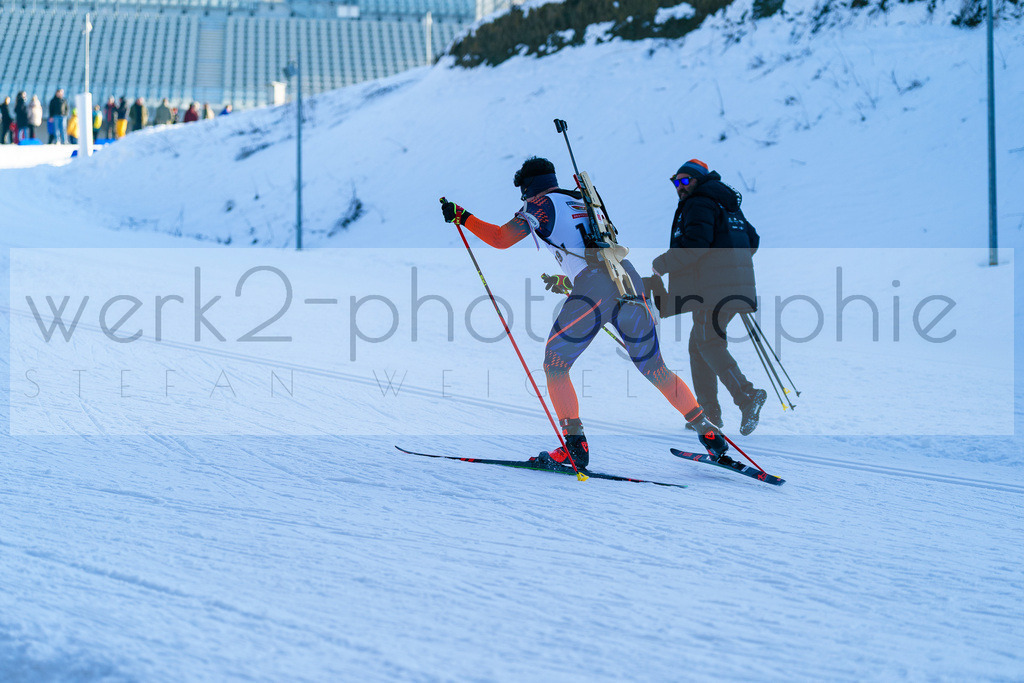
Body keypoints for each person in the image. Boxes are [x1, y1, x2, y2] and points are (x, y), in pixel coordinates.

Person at [439, 157, 730, 470]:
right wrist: (570, 283)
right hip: (628, 278)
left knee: (555, 363)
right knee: (654, 367)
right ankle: (709, 433)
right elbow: (592, 249)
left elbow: (501, 239)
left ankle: (575, 447)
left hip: (595, 286)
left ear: (528, 188)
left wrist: (462, 217)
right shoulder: (583, 199)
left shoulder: (540, 204)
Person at [651, 159, 767, 436]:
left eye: (685, 180)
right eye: (675, 181)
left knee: (708, 343)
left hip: (712, 290)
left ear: (699, 180)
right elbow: (752, 240)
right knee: (699, 345)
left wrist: (662, 263)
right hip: (733, 288)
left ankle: (747, 395)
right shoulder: (727, 204)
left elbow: (695, 244)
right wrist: (730, 266)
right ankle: (709, 412)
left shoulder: (699, 202)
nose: (679, 187)